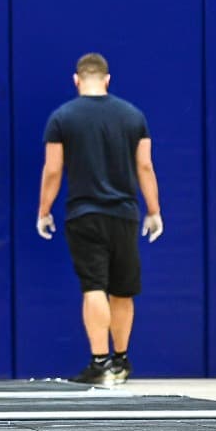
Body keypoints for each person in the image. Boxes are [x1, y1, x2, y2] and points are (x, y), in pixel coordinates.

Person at [37, 53, 164, 385]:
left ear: (76, 80)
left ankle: (100, 363)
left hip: (84, 214)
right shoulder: (133, 115)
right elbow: (145, 167)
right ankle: (121, 363)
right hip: (124, 214)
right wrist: (154, 210)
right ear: (107, 80)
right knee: (122, 290)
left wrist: (43, 210)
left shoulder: (62, 117)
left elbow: (53, 170)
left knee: (94, 286)